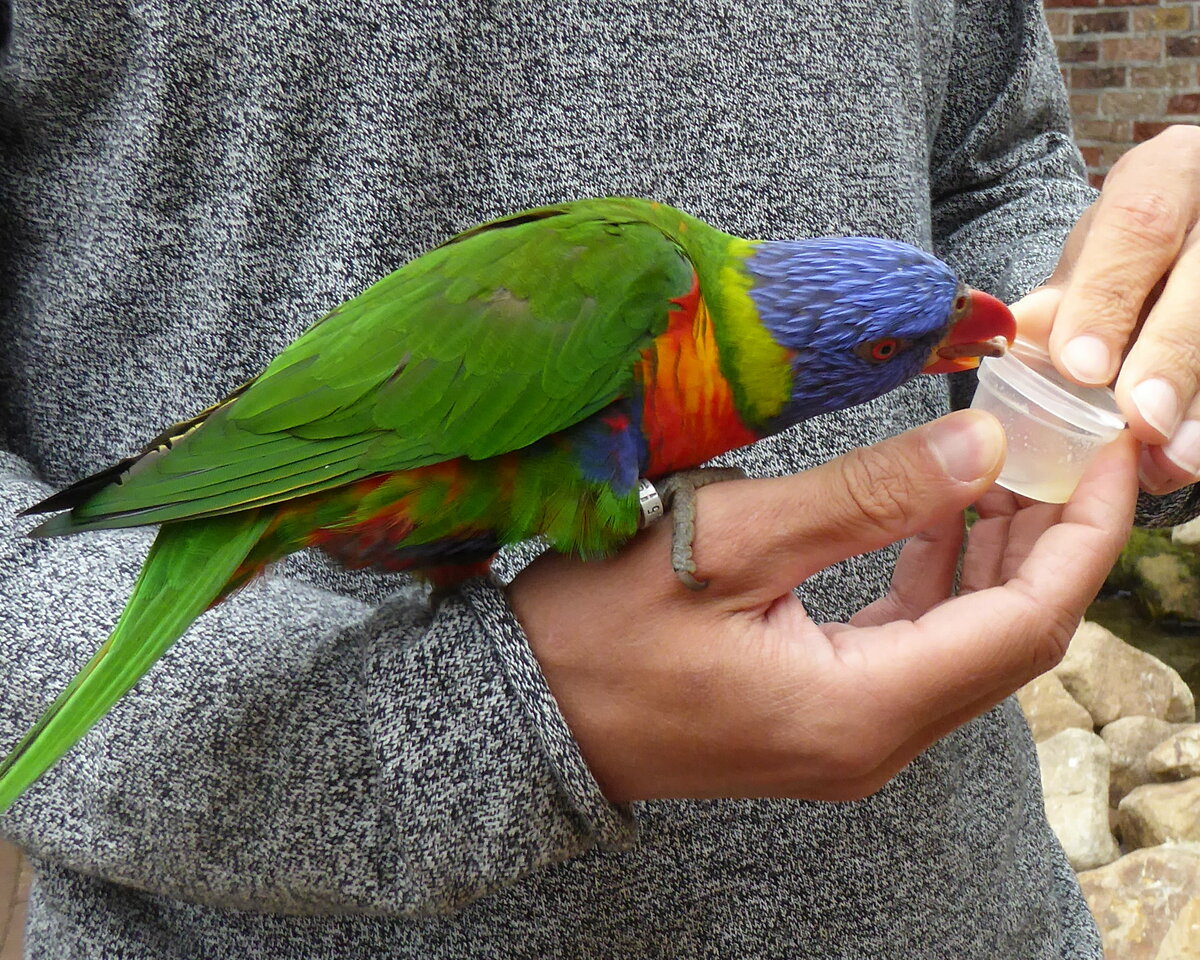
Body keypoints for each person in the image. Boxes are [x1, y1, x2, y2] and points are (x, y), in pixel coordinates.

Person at [0, 0, 1197, 956]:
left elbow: (998, 176)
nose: (930, 362)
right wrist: (505, 711)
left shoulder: (717, 324)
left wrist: (1126, 347)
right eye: (895, 358)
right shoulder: (639, 306)